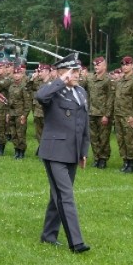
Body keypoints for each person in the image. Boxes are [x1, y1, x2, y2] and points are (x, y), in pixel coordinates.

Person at [35, 53, 90, 254]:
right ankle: (76, 242)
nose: (77, 74)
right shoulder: (54, 91)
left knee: (57, 195)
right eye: (72, 71)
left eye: (78, 70)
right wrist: (61, 80)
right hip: (54, 151)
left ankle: (48, 235)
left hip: (73, 151)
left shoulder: (81, 92)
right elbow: (41, 96)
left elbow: (84, 124)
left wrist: (83, 150)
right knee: (65, 195)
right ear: (61, 72)